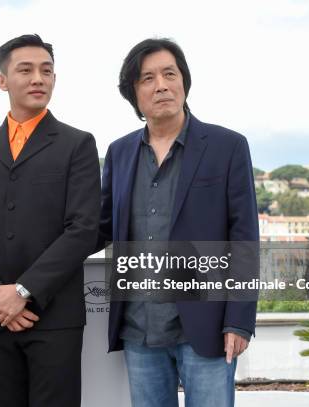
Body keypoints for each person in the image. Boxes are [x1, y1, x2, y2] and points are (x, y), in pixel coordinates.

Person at [99, 38, 259, 407]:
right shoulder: (119, 153)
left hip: (207, 327)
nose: (161, 85)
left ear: (184, 81)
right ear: (134, 95)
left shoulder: (227, 146)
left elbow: (244, 237)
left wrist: (239, 319)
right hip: (139, 329)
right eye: (148, 78)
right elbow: (100, 226)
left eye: (169, 74)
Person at [0, 34, 100, 407]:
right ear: (2, 81)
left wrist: (22, 291)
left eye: (46, 71)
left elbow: (82, 230)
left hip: (55, 318)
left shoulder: (77, 144)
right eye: (26, 70)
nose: (38, 78)